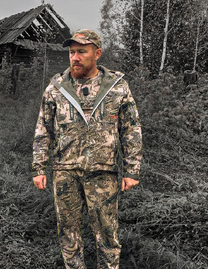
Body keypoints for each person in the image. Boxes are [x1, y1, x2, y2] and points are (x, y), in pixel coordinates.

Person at [32, 29, 142, 269]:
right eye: (72, 52)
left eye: (82, 51)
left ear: (97, 54)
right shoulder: (56, 88)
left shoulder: (117, 87)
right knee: (68, 234)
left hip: (103, 171)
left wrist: (132, 169)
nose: (75, 57)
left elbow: (131, 129)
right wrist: (39, 167)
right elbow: (43, 129)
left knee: (107, 235)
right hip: (65, 171)